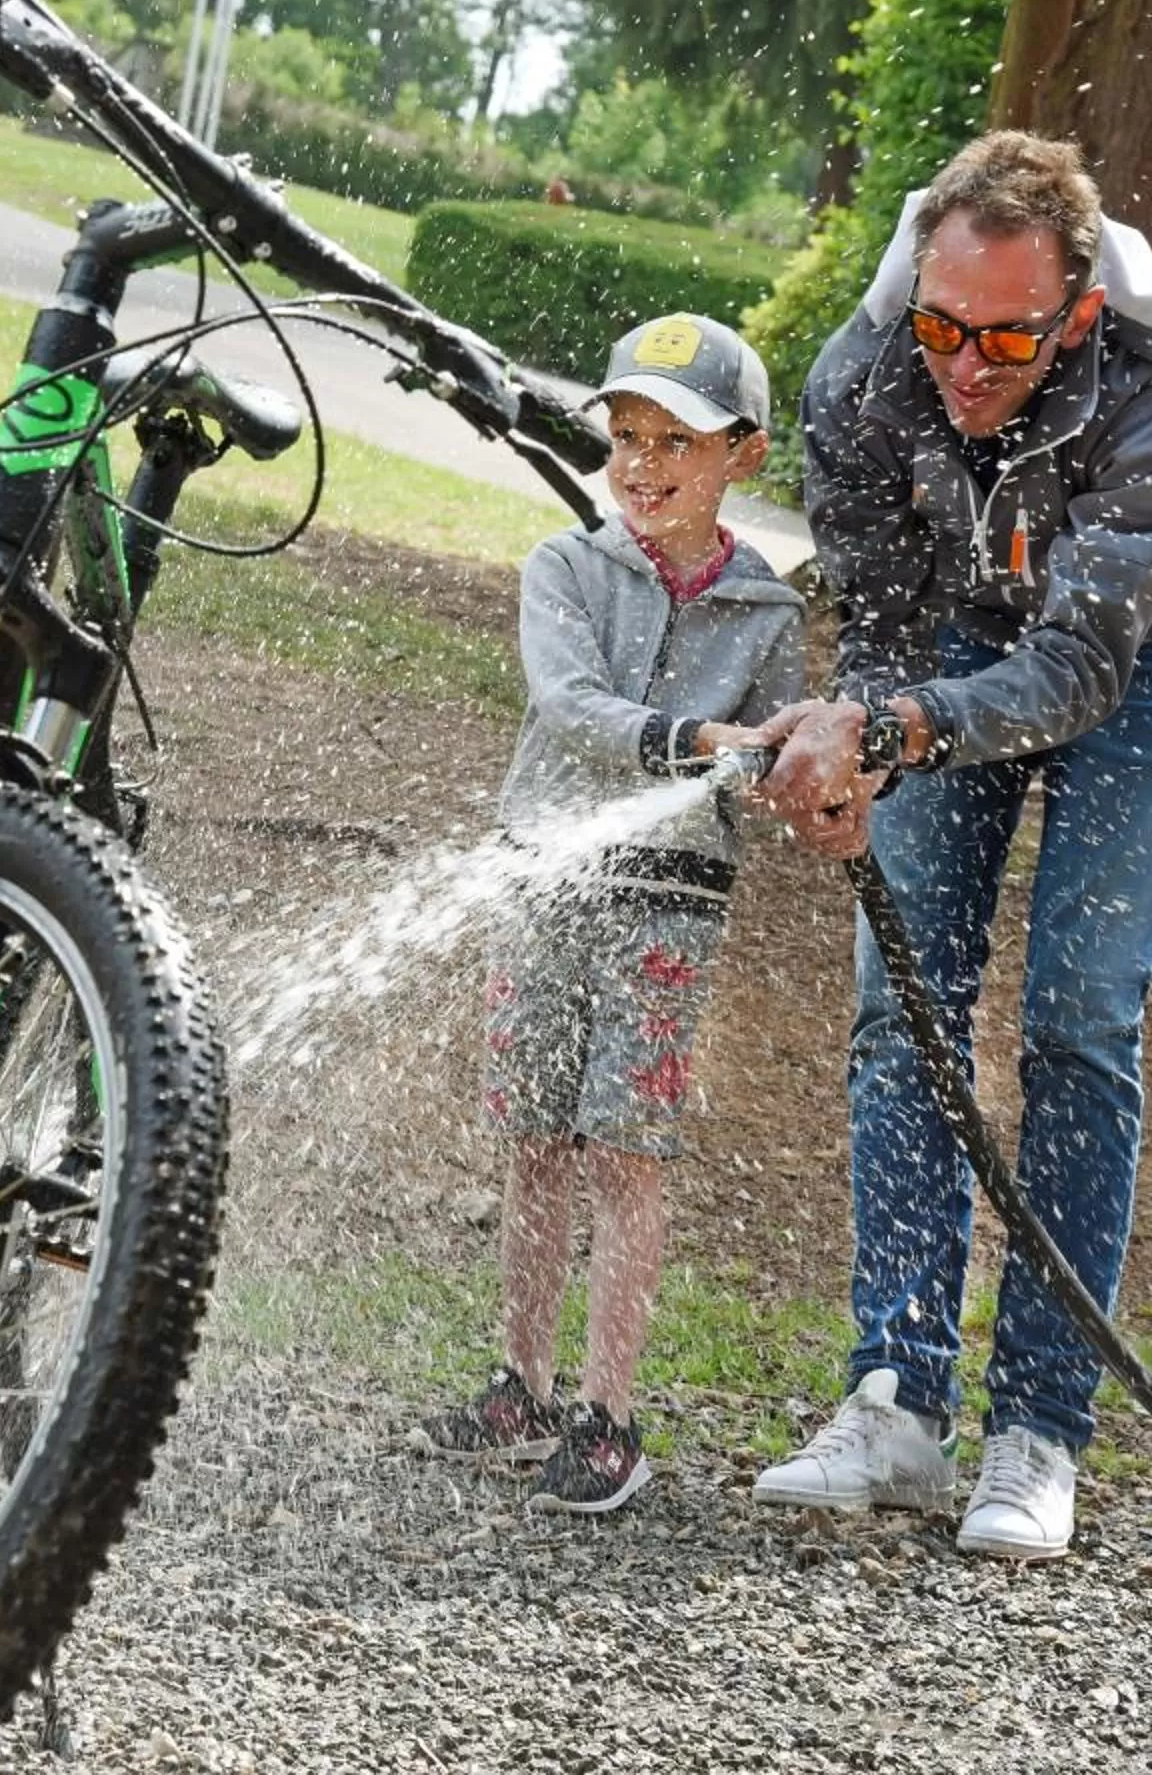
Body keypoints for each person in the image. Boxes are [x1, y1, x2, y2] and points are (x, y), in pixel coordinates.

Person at [748, 131, 1152, 1560]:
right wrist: (861, 733)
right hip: (961, 624)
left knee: (1081, 1016)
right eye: (943, 328)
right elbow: (889, 628)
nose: (966, 365)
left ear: (1077, 313)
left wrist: (892, 729)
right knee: (898, 999)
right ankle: (899, 1397)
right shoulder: (859, 380)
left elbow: (1077, 675)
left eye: (1006, 339)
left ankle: (1040, 1429)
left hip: (1149, 651)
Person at [412, 313, 806, 1516]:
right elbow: (572, 706)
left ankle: (608, 1415)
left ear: (742, 453)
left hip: (666, 909)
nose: (640, 466)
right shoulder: (565, 569)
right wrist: (695, 740)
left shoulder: (768, 616)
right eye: (625, 437)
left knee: (627, 1153)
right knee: (539, 1140)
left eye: (673, 441)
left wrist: (800, 776)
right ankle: (520, 1383)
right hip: (545, 885)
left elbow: (778, 759)